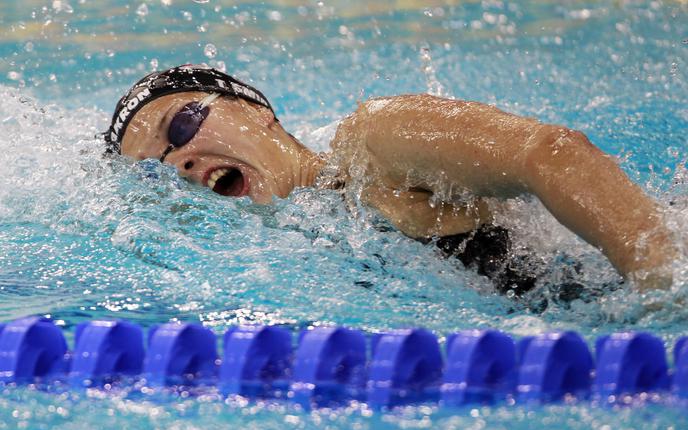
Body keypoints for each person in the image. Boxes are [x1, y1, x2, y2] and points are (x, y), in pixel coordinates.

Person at [105, 64, 676, 296]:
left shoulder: (374, 145)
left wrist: (661, 291)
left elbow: (551, 154)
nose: (177, 162)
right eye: (156, 170)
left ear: (255, 110)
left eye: (180, 124)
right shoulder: (277, 257)